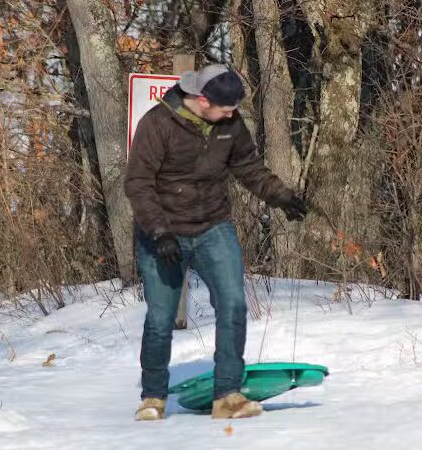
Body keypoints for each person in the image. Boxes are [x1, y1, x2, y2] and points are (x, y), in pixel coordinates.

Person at [124, 64, 307, 420]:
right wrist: (159, 232)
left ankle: (227, 395)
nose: (232, 113)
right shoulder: (157, 124)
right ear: (202, 100)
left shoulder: (230, 126)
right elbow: (139, 183)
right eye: (226, 107)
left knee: (233, 304)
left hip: (212, 226)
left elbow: (249, 168)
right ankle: (153, 398)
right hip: (162, 233)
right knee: (161, 318)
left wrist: (281, 197)